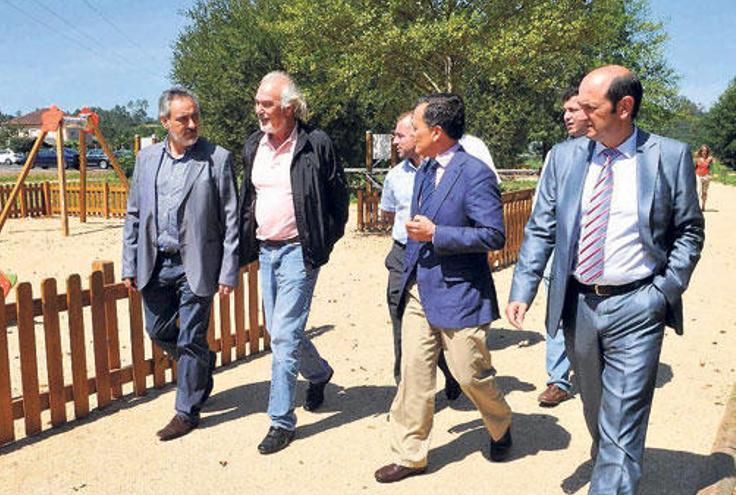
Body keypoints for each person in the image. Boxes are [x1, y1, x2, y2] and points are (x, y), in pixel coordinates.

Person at [507, 65, 704, 494]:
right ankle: (611, 459)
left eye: (590, 106)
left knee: (624, 418)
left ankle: (612, 477)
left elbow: (689, 230)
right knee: (597, 411)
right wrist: (523, 286)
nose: (578, 112)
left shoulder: (668, 156)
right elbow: (542, 226)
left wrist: (664, 291)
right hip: (578, 305)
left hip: (639, 305)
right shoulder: (564, 156)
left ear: (624, 107)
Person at [375, 93, 513, 484]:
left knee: (469, 375)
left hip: (460, 292)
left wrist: (439, 234)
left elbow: (493, 235)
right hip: (420, 287)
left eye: (415, 128)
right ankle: (409, 454)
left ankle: (501, 424)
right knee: (414, 375)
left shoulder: (476, 174)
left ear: (436, 132)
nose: (410, 134)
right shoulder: (421, 170)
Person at [239, 71, 349, 455]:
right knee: (279, 330)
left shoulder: (315, 143)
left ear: (288, 106)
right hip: (267, 250)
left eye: (266, 104)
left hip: (299, 252)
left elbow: (338, 199)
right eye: (257, 103)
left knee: (284, 335)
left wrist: (321, 242)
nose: (259, 110)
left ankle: (280, 421)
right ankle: (319, 373)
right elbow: (248, 199)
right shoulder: (254, 145)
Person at [121, 87, 239, 441]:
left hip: (197, 264)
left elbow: (231, 219)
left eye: (195, 117)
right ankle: (201, 362)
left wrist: (229, 269)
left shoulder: (216, 159)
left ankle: (186, 412)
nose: (191, 124)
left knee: (190, 336)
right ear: (164, 122)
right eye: (182, 118)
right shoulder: (146, 159)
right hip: (154, 262)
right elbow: (134, 214)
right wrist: (129, 262)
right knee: (157, 331)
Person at [380, 111, 461, 400]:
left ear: (419, 135)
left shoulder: (446, 171)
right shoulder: (393, 176)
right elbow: (389, 214)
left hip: (437, 254)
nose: (395, 141)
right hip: (402, 256)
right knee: (402, 323)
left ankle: (453, 373)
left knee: (437, 324)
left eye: (401, 135)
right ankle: (404, 393)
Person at [536, 87, 590, 408]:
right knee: (556, 314)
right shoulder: (558, 154)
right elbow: (543, 208)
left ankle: (594, 372)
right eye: (565, 111)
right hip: (560, 251)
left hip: (596, 253)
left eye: (574, 110)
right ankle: (558, 379)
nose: (566, 116)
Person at [695, 144, 713, 211]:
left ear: (707, 151)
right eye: (702, 150)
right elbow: (695, 167)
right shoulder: (697, 159)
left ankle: (703, 206)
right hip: (698, 175)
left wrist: (711, 174)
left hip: (706, 176)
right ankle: (696, 207)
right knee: (698, 190)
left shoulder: (710, 159)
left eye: (705, 150)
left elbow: (712, 168)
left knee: (704, 192)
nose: (704, 152)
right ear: (701, 151)